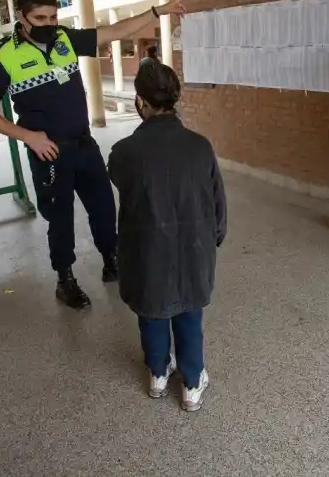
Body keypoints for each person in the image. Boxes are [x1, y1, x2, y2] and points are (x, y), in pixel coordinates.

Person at [0, 0, 185, 309]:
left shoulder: (65, 39)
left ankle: (111, 261)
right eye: (40, 18)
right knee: (60, 218)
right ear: (21, 17)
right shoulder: (3, 55)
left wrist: (158, 12)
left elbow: (112, 31)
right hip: (49, 151)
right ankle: (65, 279)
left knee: (103, 206)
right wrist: (28, 137)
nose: (48, 23)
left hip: (84, 144)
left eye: (53, 16)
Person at [108, 60, 226, 412]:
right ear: (176, 98)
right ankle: (192, 384)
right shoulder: (200, 146)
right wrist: (213, 239)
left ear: (140, 102)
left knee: (152, 313)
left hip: (147, 252)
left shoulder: (123, 152)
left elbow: (124, 186)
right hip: (193, 249)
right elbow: (218, 204)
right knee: (190, 315)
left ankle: (158, 374)